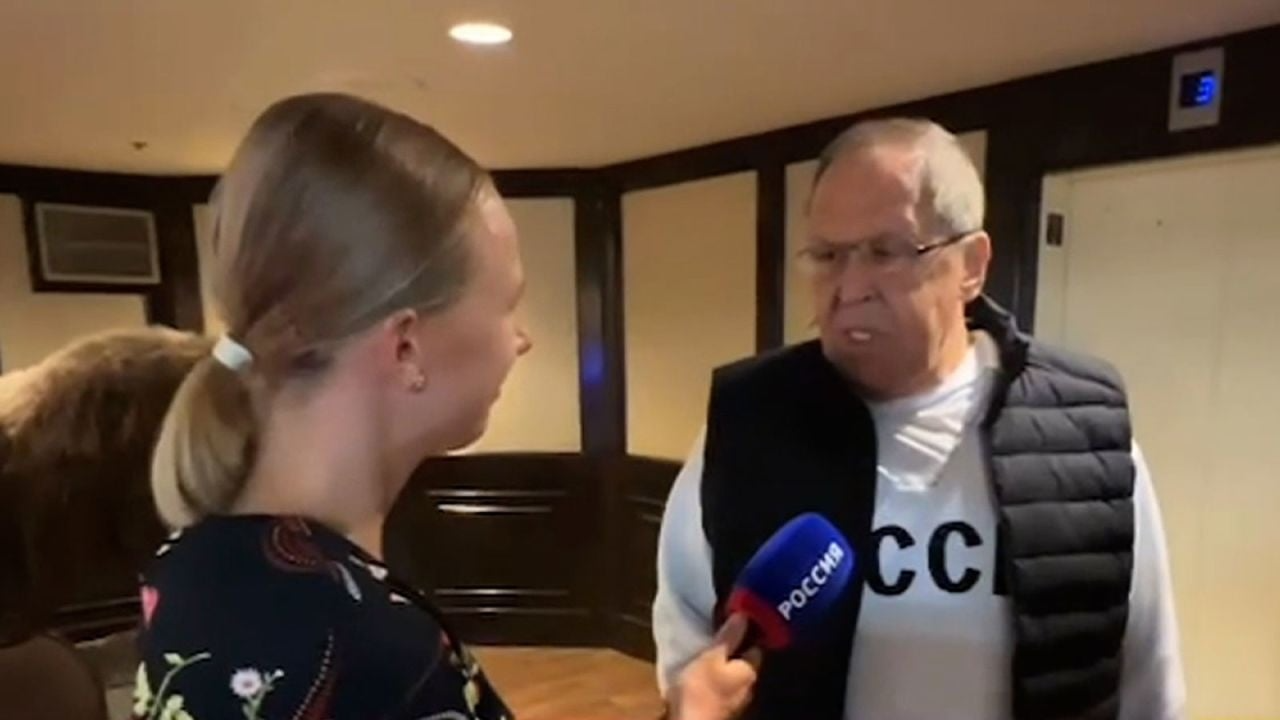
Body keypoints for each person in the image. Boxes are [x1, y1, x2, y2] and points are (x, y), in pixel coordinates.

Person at [137, 93, 754, 720]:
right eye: (506, 304)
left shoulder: (188, 566)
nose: (521, 339)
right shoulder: (373, 652)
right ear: (405, 346)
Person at [653, 119, 1185, 719]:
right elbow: (687, 634)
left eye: (886, 252)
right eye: (827, 255)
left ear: (971, 265)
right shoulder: (747, 423)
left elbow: (1148, 674)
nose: (849, 287)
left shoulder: (1084, 431)